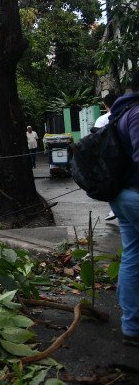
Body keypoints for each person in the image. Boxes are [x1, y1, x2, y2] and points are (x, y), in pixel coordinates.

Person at [108, 71, 139, 345]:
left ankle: (132, 325)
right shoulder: (137, 113)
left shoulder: (121, 113)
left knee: (133, 255)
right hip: (135, 194)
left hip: (122, 194)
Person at [93, 94, 119, 221]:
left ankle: (115, 209)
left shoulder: (102, 119)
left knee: (113, 185)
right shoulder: (130, 114)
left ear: (105, 105)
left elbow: (95, 141)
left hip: (110, 158)